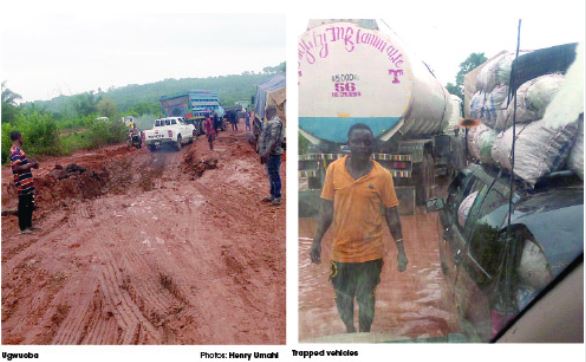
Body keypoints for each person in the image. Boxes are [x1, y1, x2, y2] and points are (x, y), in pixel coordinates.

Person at [309, 123, 408, 333]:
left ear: (372, 145)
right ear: (348, 144)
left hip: (371, 253)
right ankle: (350, 332)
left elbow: (392, 214)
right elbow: (326, 210)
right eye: (357, 142)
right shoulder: (334, 170)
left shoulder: (383, 176)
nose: (362, 146)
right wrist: (316, 241)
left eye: (367, 142)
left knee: (366, 298)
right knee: (342, 297)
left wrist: (401, 250)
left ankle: (364, 336)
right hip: (341, 251)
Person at [9, 131, 40, 235]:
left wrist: (33, 164)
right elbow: (17, 168)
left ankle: (29, 225)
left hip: (27, 182)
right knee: (23, 204)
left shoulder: (19, 150)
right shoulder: (15, 151)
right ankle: (23, 228)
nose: (23, 139)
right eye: (22, 137)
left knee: (30, 203)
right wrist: (31, 165)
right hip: (22, 183)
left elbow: (25, 164)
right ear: (18, 138)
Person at [258, 105, 284, 206]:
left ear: (270, 112)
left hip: (273, 154)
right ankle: (273, 195)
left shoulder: (275, 122)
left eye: (266, 113)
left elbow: (273, 139)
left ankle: (277, 197)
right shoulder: (271, 122)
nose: (266, 115)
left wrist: (266, 153)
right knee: (271, 175)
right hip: (270, 154)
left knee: (274, 175)